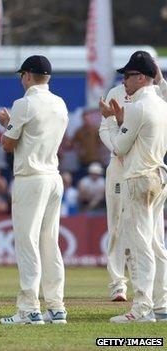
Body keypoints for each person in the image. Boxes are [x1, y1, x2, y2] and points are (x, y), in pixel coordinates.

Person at [0, 55, 68, 324]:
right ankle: (56, 307)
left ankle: (29, 309)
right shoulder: (60, 103)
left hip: (31, 178)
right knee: (49, 243)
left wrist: (6, 125)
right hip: (53, 177)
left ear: (27, 76)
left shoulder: (23, 104)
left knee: (27, 243)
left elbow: (7, 144)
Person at [99, 51, 167, 323]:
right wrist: (119, 121)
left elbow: (119, 147)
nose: (123, 81)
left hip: (139, 178)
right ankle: (162, 304)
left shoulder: (138, 107)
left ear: (142, 78)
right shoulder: (162, 104)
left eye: (127, 76)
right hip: (158, 174)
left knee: (140, 245)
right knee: (154, 242)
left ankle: (142, 309)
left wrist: (115, 121)